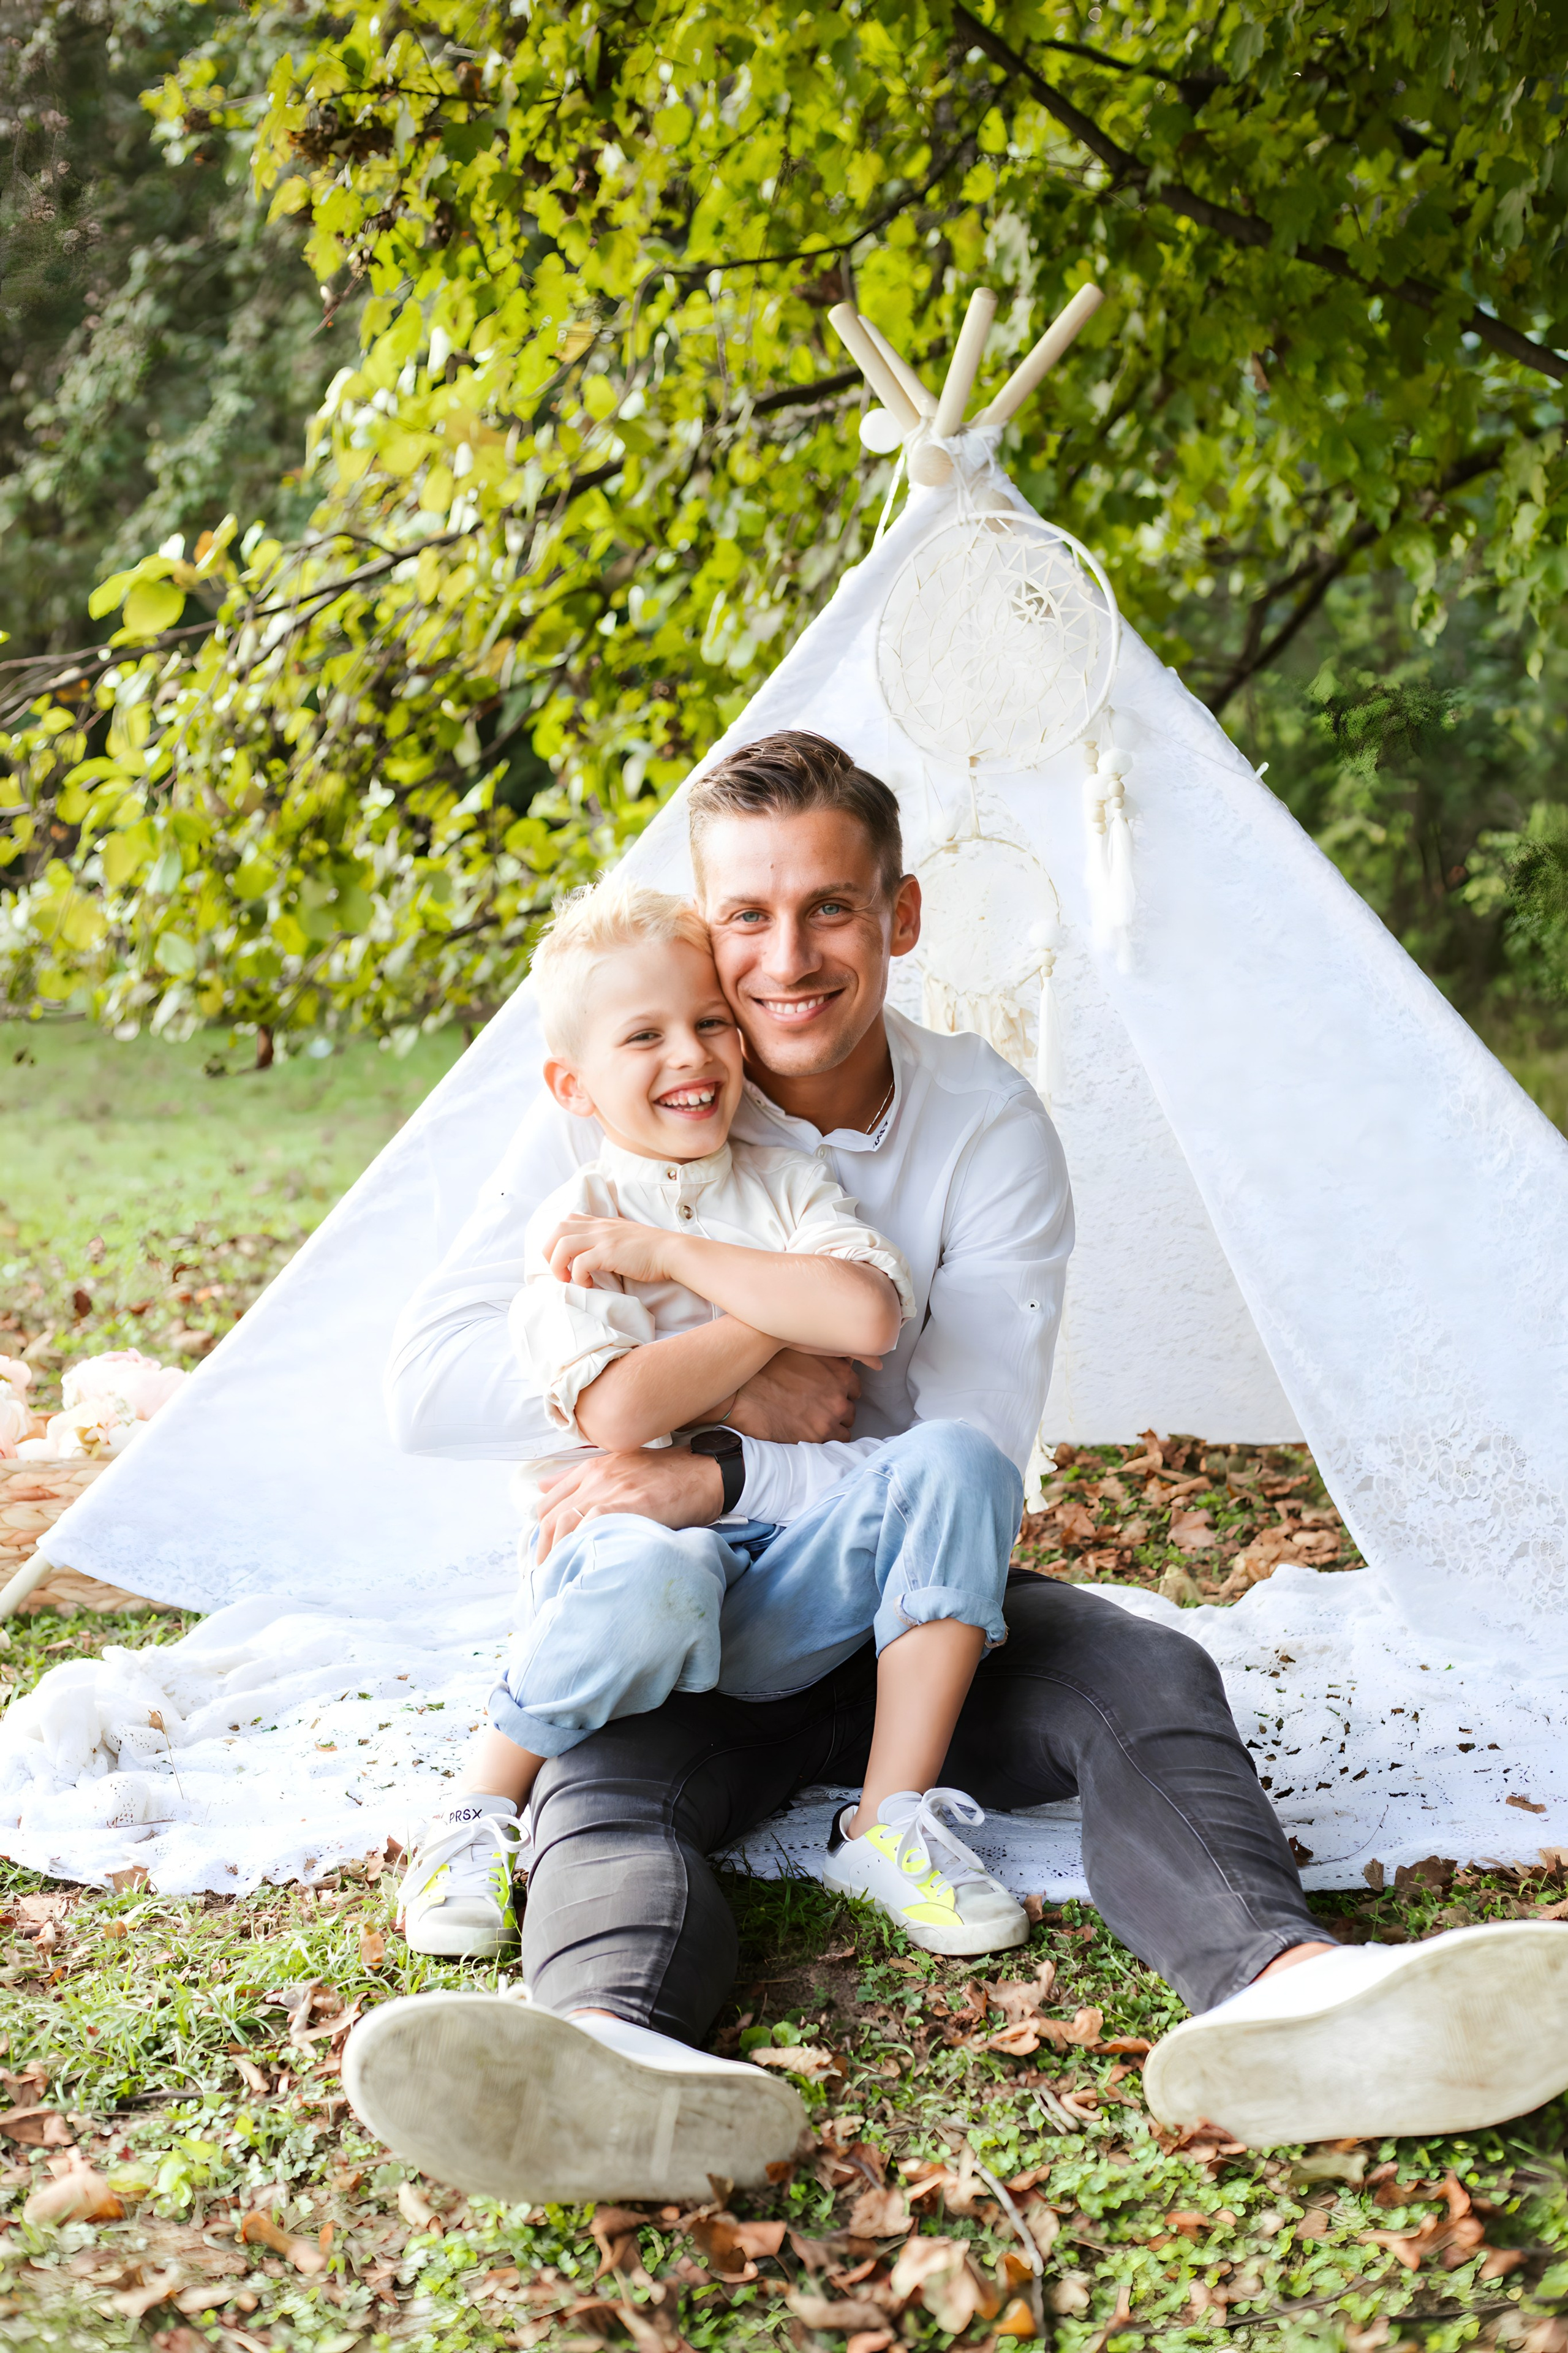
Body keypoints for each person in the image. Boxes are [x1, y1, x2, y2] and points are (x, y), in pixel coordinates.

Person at [343, 730, 1568, 2204]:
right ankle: (606, 2053)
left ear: (900, 918)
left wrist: (715, 1469)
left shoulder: (983, 1127)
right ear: (701, 924)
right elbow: (428, 1387)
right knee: (606, 1789)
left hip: (917, 1603)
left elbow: (968, 1455)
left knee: (1147, 1681)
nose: (785, 959)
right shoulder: (621, 1095)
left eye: (830, 909)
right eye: (746, 917)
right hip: (686, 1611)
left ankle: (1289, 1991)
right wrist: (740, 1372)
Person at [397, 876, 1028, 1963]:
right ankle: (475, 1805)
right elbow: (620, 1409)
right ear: (573, 1084)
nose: (688, 1055)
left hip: (787, 1590)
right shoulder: (579, 1221)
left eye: (709, 1024)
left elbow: (866, 1314)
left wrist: (678, 1260)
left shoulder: (786, 1183)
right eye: (643, 1035)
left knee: (962, 1461)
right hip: (629, 1582)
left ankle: (888, 1822)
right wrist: (767, 1319)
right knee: (665, 1570)